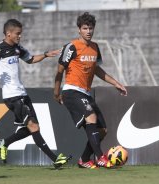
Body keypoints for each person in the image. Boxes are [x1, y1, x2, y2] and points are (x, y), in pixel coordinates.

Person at [0, 19, 71, 169]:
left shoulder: (17, 48)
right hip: (12, 95)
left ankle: (4, 143)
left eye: (20, 34)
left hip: (22, 93)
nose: (20, 36)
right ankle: (55, 159)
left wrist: (47, 54)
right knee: (33, 126)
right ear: (8, 33)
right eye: (17, 34)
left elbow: (31, 59)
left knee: (32, 128)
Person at [54, 12, 127, 169]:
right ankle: (100, 157)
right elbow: (59, 71)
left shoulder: (95, 48)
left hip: (85, 93)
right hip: (71, 91)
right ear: (79, 29)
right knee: (91, 117)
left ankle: (85, 159)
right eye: (85, 28)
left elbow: (97, 70)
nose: (88, 31)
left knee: (102, 130)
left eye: (91, 28)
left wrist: (116, 83)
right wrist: (56, 92)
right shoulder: (71, 47)